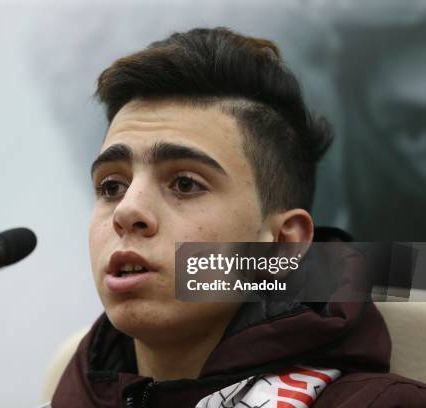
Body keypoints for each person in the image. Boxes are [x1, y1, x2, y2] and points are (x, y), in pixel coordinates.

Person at [50, 27, 426, 407]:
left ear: (282, 244)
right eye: (111, 187)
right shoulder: (65, 393)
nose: (127, 211)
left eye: (184, 183)